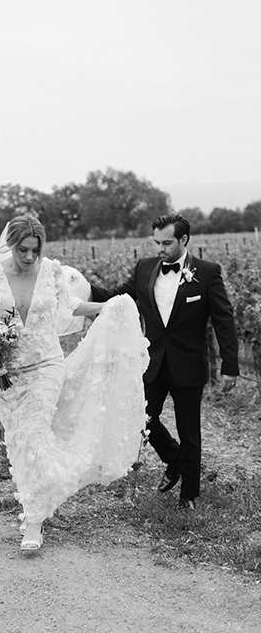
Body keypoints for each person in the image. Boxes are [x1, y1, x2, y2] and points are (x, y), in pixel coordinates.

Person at [0, 214, 149, 552]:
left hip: (47, 366)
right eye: (22, 250)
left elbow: (68, 307)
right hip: (7, 373)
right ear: (10, 246)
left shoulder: (51, 272)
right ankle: (39, 499)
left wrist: (107, 306)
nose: (28, 257)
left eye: (35, 251)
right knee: (21, 442)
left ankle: (34, 522)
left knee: (36, 432)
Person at [90, 213, 239, 511]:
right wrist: (84, 287)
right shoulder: (145, 268)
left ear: (184, 240)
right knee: (140, 418)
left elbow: (224, 319)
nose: (160, 248)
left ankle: (189, 496)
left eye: (167, 242)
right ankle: (174, 459)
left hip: (189, 364)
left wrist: (229, 364)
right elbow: (118, 297)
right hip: (153, 361)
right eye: (156, 242)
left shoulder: (208, 273)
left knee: (190, 431)